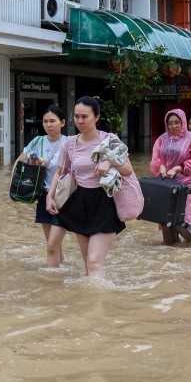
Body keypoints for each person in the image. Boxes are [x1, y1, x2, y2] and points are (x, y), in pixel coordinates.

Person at [47, 96, 129, 279]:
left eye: (85, 117)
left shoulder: (110, 139)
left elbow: (128, 170)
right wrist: (49, 196)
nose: (80, 121)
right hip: (80, 202)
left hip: (105, 202)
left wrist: (109, 162)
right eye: (76, 117)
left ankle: (98, 305)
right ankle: (88, 303)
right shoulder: (70, 143)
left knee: (94, 261)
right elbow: (60, 171)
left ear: (97, 117)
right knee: (87, 262)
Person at [13, 105, 69, 267]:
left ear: (62, 123)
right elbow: (20, 161)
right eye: (45, 121)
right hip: (44, 195)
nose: (48, 125)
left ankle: (51, 281)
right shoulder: (38, 141)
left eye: (52, 121)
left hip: (63, 196)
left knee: (52, 246)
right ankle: (63, 269)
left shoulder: (69, 143)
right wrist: (14, 186)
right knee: (53, 245)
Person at [149, 108, 191, 246]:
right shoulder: (162, 139)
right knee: (166, 218)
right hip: (167, 185)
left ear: (183, 122)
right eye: (170, 123)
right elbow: (155, 159)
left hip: (189, 186)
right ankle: (171, 254)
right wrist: (161, 167)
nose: (173, 126)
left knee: (182, 220)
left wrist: (179, 167)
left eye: (177, 122)